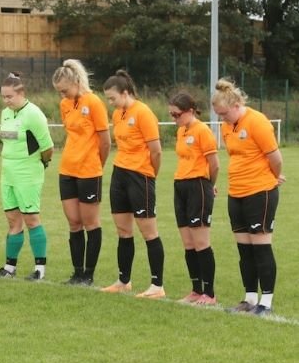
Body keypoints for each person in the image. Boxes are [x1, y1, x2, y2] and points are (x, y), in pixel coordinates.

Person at [213, 79, 284, 316]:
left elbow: (275, 158)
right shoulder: (227, 126)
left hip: (260, 192)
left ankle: (266, 302)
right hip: (236, 193)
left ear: (235, 106)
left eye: (224, 114)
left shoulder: (257, 122)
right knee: (244, 249)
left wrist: (273, 177)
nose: (222, 118)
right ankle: (249, 298)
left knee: (261, 248)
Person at [100, 70, 166, 299]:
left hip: (141, 176)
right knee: (123, 230)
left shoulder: (143, 113)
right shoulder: (118, 115)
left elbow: (156, 151)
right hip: (120, 174)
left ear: (125, 93)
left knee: (148, 232)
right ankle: (123, 281)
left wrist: (149, 176)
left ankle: (157, 286)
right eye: (108, 99)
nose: (110, 103)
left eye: (112, 98)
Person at [0, 73, 54, 281]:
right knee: (12, 221)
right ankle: (9, 267)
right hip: (7, 173)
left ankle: (39, 270)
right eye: (3, 97)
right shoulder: (5, 114)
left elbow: (48, 147)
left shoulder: (34, 114)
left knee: (31, 219)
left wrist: (41, 164)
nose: (6, 101)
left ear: (21, 93)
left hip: (28, 174)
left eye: (10, 97)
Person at [52, 60, 110, 285]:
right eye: (59, 92)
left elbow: (105, 142)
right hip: (67, 170)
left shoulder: (94, 102)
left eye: (65, 90)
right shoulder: (65, 105)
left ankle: (89, 273)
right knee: (74, 222)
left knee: (90, 222)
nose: (62, 95)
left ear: (76, 82)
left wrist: (96, 165)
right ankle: (77, 273)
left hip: (89, 171)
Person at [169, 92, 219, 305]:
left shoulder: (202, 131)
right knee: (188, 243)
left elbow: (214, 164)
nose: (174, 118)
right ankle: (196, 290)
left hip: (198, 185)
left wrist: (210, 185)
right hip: (180, 185)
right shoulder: (181, 130)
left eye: (177, 114)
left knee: (200, 242)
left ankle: (210, 293)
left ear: (190, 111)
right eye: (171, 114)